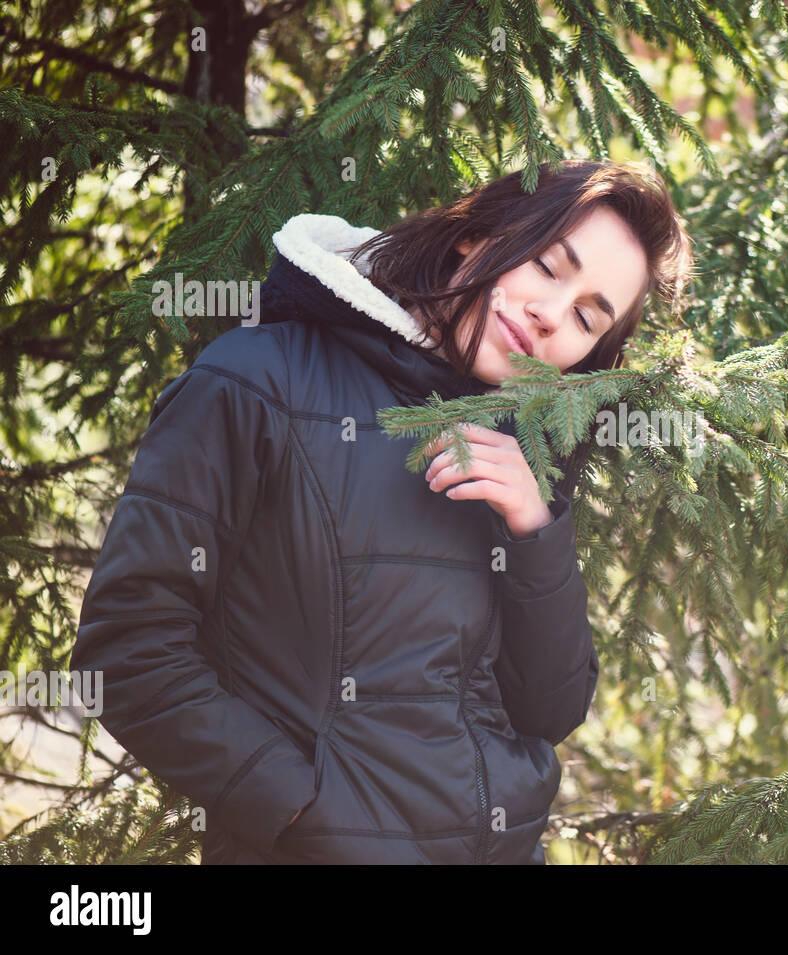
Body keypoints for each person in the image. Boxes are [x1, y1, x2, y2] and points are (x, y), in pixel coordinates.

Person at [70, 159, 693, 864]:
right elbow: (126, 655)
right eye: (548, 267)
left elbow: (547, 712)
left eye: (586, 316)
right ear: (477, 238)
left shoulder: (523, 456)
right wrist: (304, 811)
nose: (551, 315)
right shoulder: (254, 380)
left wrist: (534, 529)